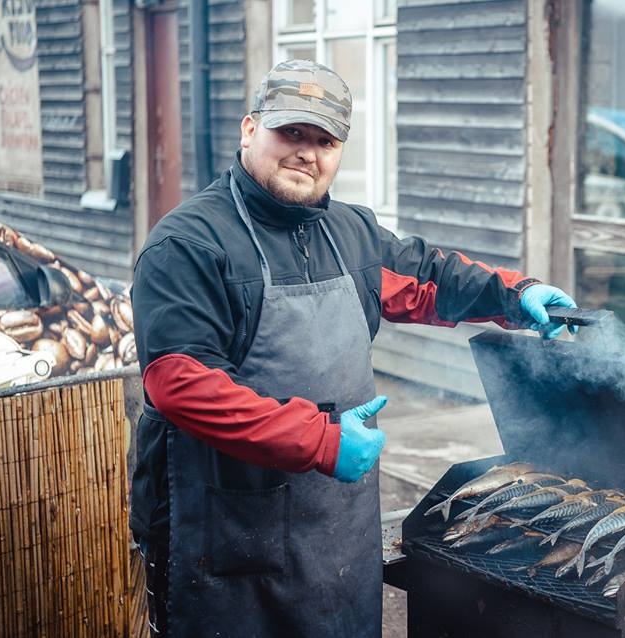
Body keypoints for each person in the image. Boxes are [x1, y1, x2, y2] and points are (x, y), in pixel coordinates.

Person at [129, 59, 578, 638]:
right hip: (225, 534)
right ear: (249, 129)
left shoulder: (351, 232)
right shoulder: (188, 243)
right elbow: (180, 383)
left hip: (335, 527)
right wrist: (321, 438)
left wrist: (516, 294)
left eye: (324, 140)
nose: (306, 153)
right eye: (290, 132)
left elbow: (428, 277)